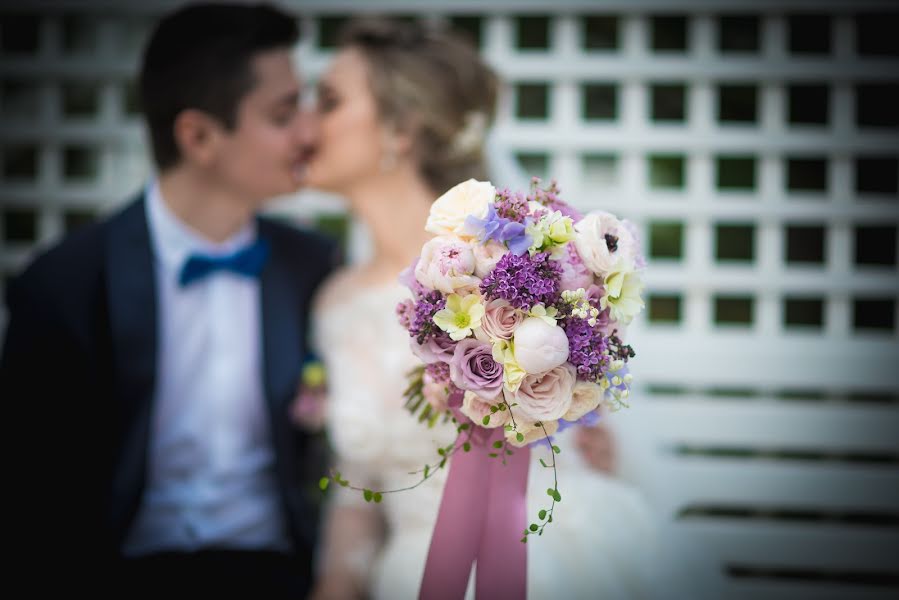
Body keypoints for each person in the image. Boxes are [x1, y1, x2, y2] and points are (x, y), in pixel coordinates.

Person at [304, 18, 659, 600]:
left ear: (401, 129)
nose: (306, 125)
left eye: (330, 102)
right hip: (408, 574)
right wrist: (336, 584)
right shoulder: (334, 301)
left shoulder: (510, 265)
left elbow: (584, 421)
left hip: (544, 557)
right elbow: (356, 492)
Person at [0, 4, 338, 596]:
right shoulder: (64, 285)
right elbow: (30, 496)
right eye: (283, 114)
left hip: (282, 575)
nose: (308, 132)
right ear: (199, 136)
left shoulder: (314, 267)